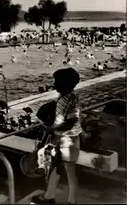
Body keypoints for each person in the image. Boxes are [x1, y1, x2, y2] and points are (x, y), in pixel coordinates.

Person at [32, 67, 82, 204]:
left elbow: (71, 122)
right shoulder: (64, 97)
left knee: (70, 172)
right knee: (55, 167)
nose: (54, 84)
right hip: (60, 138)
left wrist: (51, 128)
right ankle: (49, 196)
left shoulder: (70, 99)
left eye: (57, 81)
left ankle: (72, 201)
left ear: (65, 83)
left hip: (69, 140)